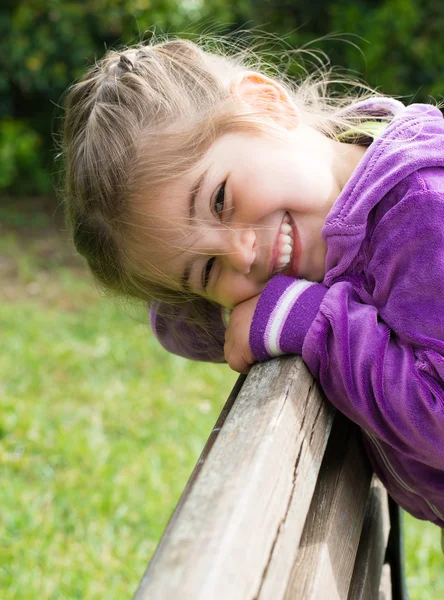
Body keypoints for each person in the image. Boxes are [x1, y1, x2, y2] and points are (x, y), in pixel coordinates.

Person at [62, 37, 444, 535]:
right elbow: (183, 325)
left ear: (265, 104)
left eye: (220, 200)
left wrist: (310, 321)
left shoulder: (421, 209)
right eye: (205, 270)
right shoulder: (331, 200)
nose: (242, 254)